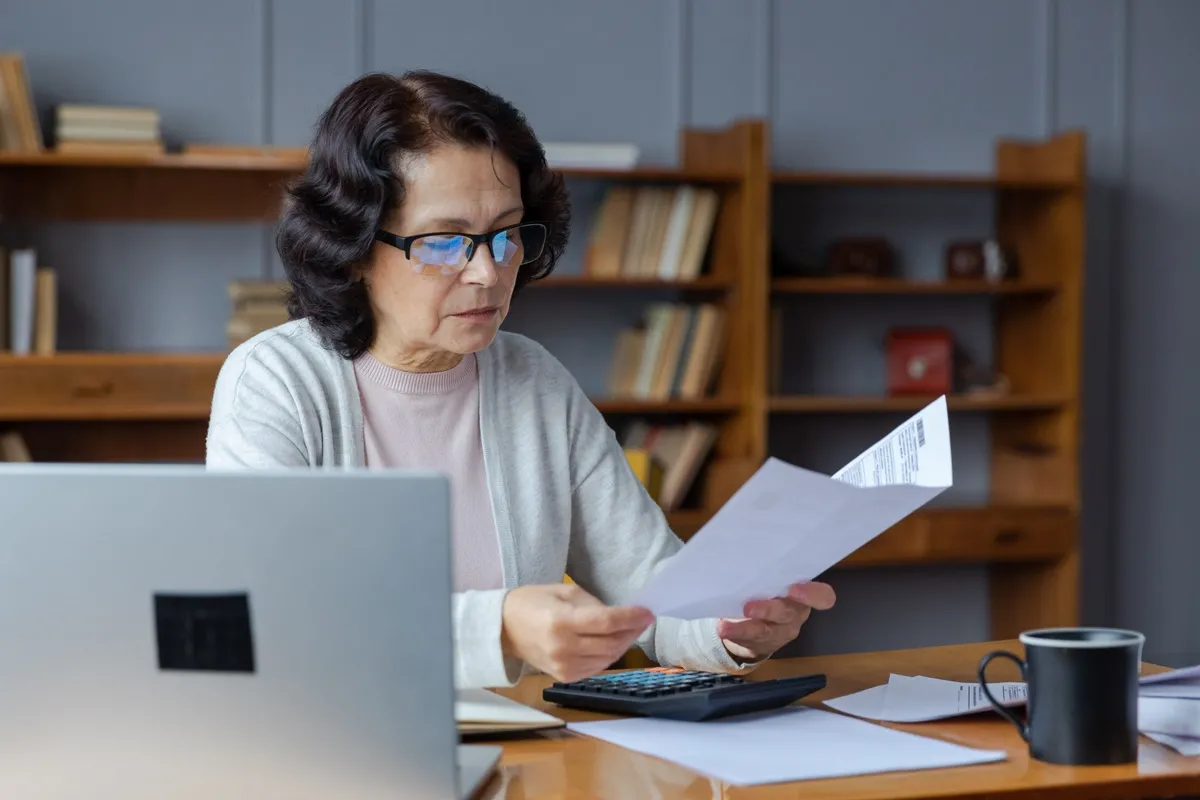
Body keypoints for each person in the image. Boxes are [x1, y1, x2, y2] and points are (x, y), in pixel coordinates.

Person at [206, 70, 835, 690]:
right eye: (447, 241)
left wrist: (730, 626)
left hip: (524, 754)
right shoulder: (276, 381)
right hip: (341, 754)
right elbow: (272, 616)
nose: (487, 270)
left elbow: (653, 591)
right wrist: (501, 626)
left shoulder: (534, 379)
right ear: (355, 247)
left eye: (506, 234)